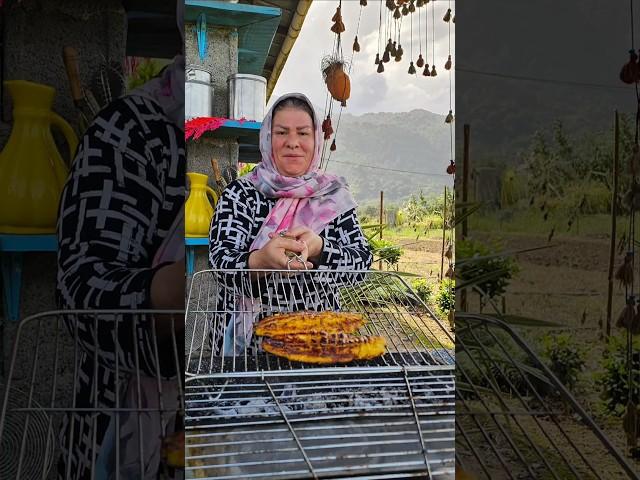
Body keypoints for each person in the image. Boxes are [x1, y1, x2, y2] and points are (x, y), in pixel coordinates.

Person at [55, 3, 185, 478]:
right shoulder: (130, 133)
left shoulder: (245, 144)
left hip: (218, 429)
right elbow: (79, 290)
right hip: (119, 426)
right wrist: (168, 292)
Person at [208, 93, 373, 356]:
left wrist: (320, 248)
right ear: (267, 139)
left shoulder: (333, 196)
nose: (293, 143)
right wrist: (259, 261)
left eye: (303, 133)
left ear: (316, 139)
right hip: (247, 347)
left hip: (317, 340)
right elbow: (219, 262)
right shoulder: (240, 194)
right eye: (282, 132)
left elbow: (361, 265)